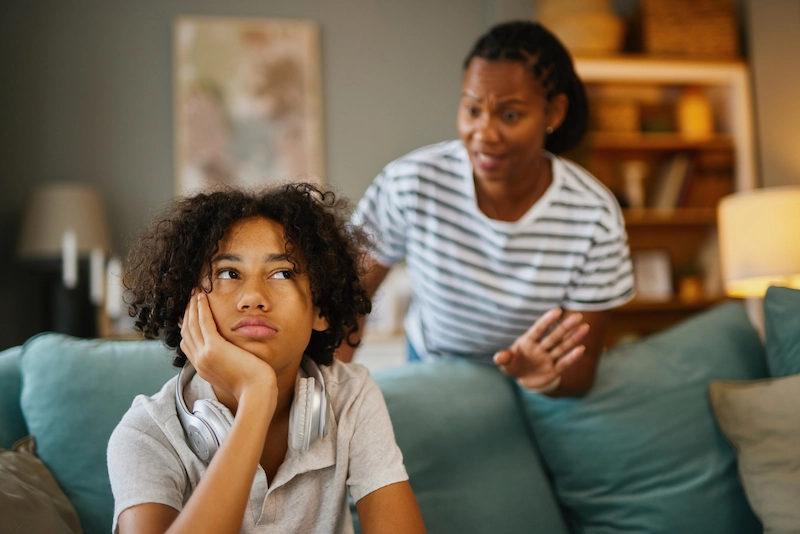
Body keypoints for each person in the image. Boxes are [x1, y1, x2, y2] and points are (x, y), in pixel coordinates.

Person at [107, 183, 426, 534]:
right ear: (188, 304)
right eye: (229, 273)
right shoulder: (146, 432)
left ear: (321, 310)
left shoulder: (350, 396)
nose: (254, 297)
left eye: (282, 273)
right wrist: (256, 395)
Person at [340, 21, 634, 397]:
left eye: (510, 115)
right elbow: (347, 297)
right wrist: (331, 391)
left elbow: (582, 367)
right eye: (473, 109)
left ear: (554, 113)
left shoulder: (594, 215)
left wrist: (547, 376)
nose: (484, 133)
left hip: (534, 385)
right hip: (434, 368)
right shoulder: (411, 183)